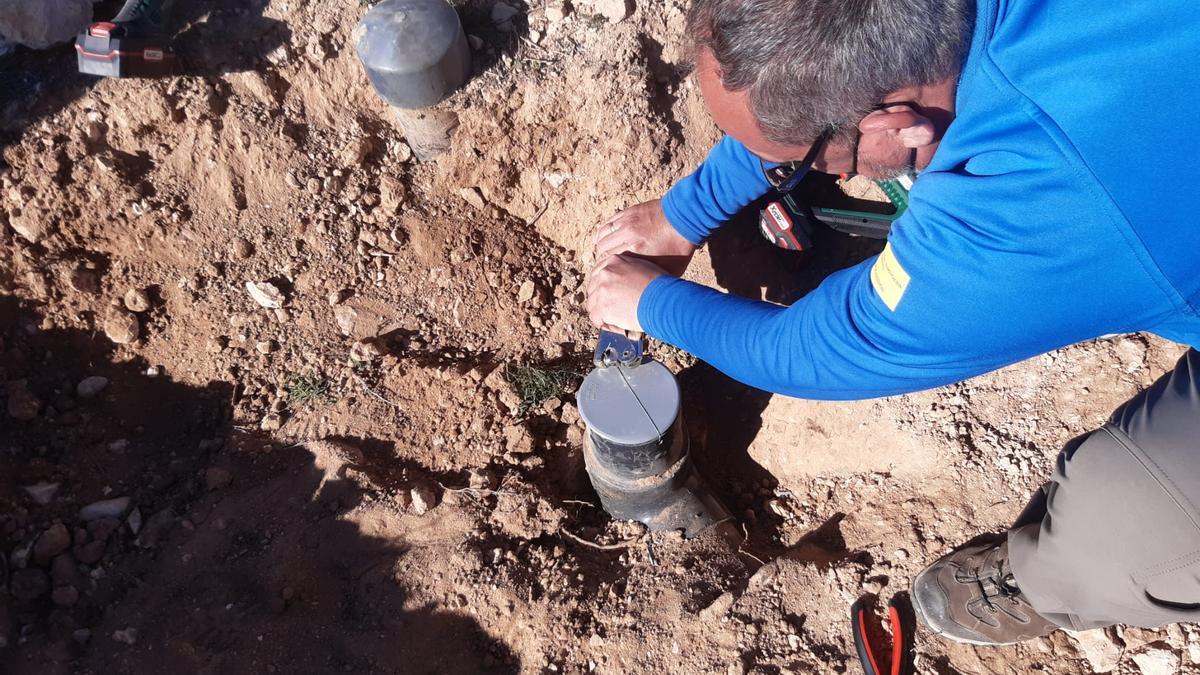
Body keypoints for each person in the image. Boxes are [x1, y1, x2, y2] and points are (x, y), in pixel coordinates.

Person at [584, 0, 1200, 646]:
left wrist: (651, 301)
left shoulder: (1016, 202)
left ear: (896, 125)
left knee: (1123, 519)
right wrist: (686, 211)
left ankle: (1056, 573)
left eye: (802, 164)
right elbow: (828, 76)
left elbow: (810, 348)